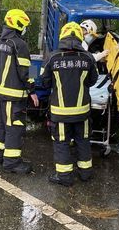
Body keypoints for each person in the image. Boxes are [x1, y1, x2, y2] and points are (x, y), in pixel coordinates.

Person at [41, 22, 98, 186]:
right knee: (83, 140)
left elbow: (45, 83)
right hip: (83, 112)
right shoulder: (88, 58)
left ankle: (65, 177)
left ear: (63, 36)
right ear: (80, 38)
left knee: (62, 142)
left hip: (60, 112)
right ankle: (85, 173)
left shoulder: (53, 57)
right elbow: (93, 80)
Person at [0, 9, 39, 174]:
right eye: (24, 25)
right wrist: (32, 90)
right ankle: (11, 163)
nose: (25, 29)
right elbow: (27, 70)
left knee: (3, 126)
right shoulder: (20, 44)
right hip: (13, 96)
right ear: (18, 24)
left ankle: (0, 157)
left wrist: (0, 80)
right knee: (14, 127)